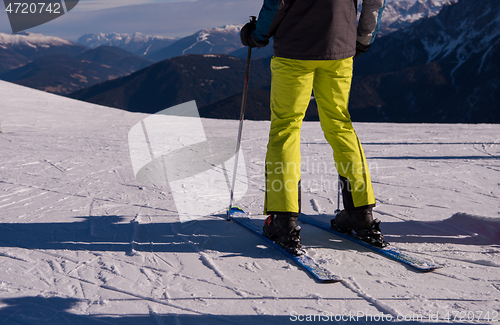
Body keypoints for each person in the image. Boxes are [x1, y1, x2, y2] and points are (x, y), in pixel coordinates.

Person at [240, 0, 386, 255]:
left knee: (285, 128)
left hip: (295, 49)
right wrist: (362, 37)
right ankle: (360, 213)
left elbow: (277, 2)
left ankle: (283, 220)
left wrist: (257, 35)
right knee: (340, 126)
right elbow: (374, 2)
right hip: (340, 46)